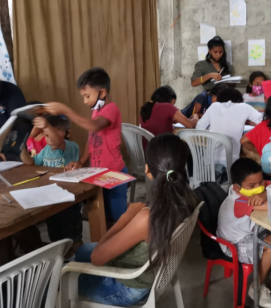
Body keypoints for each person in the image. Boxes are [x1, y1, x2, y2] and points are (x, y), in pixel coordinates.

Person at [74, 133, 197, 306]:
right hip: (150, 270)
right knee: (82, 251)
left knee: (62, 276)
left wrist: (127, 216)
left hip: (128, 287)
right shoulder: (188, 197)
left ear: (147, 169)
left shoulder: (147, 218)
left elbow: (97, 258)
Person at [217, 158, 271, 308]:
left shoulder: (254, 188)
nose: (258, 187)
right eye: (252, 185)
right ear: (237, 187)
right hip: (234, 244)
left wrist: (263, 194)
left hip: (251, 232)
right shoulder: (239, 200)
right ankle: (255, 288)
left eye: (261, 182)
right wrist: (267, 195)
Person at [44, 68, 129, 222]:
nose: (85, 101)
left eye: (87, 96)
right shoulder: (96, 111)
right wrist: (81, 162)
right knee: (103, 218)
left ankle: (127, 244)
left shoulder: (111, 109)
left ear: (102, 93)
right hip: (99, 174)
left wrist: (66, 110)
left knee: (119, 220)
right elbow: (92, 141)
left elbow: (94, 126)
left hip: (114, 173)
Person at [19, 115, 82, 255]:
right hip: (51, 199)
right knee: (55, 235)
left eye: (54, 133)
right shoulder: (46, 150)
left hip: (69, 199)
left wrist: (46, 126)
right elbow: (31, 162)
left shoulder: (70, 147)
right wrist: (22, 149)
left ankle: (84, 260)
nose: (50, 139)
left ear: (68, 133)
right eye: (46, 135)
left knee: (72, 235)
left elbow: (59, 142)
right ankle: (64, 259)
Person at [196, 88, 263, 167]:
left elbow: (199, 127)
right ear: (239, 100)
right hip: (231, 163)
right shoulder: (244, 107)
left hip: (209, 163)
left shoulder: (214, 106)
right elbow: (263, 122)